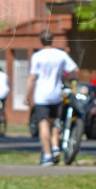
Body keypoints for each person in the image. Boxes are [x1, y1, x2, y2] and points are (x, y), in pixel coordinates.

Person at [24, 30, 78, 166]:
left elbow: (32, 77)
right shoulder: (61, 54)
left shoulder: (37, 56)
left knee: (43, 123)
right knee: (55, 123)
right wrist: (65, 78)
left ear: (40, 41)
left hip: (42, 95)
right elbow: (75, 70)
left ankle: (47, 156)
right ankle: (55, 147)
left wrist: (26, 96)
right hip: (56, 94)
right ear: (52, 40)